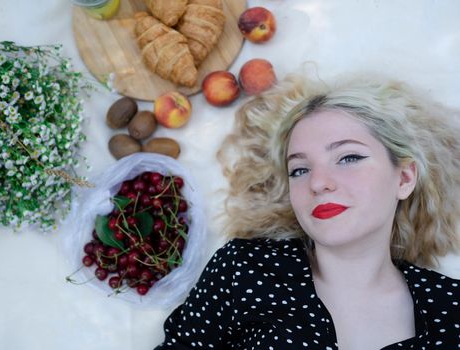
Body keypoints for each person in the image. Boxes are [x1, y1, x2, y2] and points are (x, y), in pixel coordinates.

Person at [155, 71, 460, 349]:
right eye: (299, 170)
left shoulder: (451, 308)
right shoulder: (243, 269)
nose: (318, 182)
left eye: (349, 157)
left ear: (404, 178)